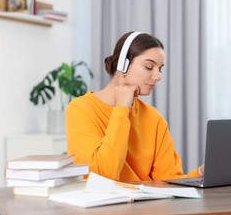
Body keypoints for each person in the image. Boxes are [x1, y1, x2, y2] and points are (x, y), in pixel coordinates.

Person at [66, 31, 204, 182]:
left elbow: (168, 181)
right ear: (122, 65)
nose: (158, 76)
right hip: (103, 204)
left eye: (160, 69)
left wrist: (200, 174)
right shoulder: (81, 109)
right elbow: (101, 176)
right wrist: (121, 110)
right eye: (149, 67)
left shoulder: (154, 118)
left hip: (147, 204)